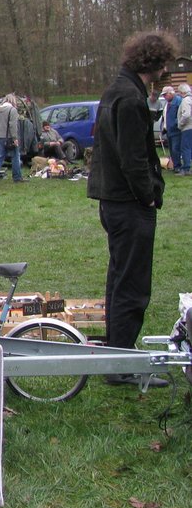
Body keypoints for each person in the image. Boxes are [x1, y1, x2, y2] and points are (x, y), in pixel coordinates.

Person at [87, 30, 179, 387]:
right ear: (154, 62)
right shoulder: (129, 97)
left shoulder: (117, 90)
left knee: (120, 278)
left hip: (115, 201)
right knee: (132, 284)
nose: (167, 68)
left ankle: (118, 351)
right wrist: (150, 195)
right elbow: (134, 159)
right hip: (127, 203)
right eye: (165, 62)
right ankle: (121, 366)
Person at [0, 94, 24, 184]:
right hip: (9, 138)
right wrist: (15, 138)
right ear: (12, 101)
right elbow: (12, 125)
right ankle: (17, 177)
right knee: (15, 156)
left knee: (0, 157)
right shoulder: (12, 110)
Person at [161, 86, 181, 171]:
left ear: (171, 93)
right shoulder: (167, 103)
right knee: (171, 150)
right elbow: (164, 116)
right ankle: (175, 165)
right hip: (168, 130)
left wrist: (175, 123)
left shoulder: (178, 101)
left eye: (165, 94)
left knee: (175, 149)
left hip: (176, 130)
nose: (164, 97)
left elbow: (181, 114)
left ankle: (178, 166)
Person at [177, 84, 192, 176]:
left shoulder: (186, 100)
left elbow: (186, 114)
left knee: (185, 148)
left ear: (182, 92)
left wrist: (180, 123)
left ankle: (186, 168)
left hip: (187, 127)